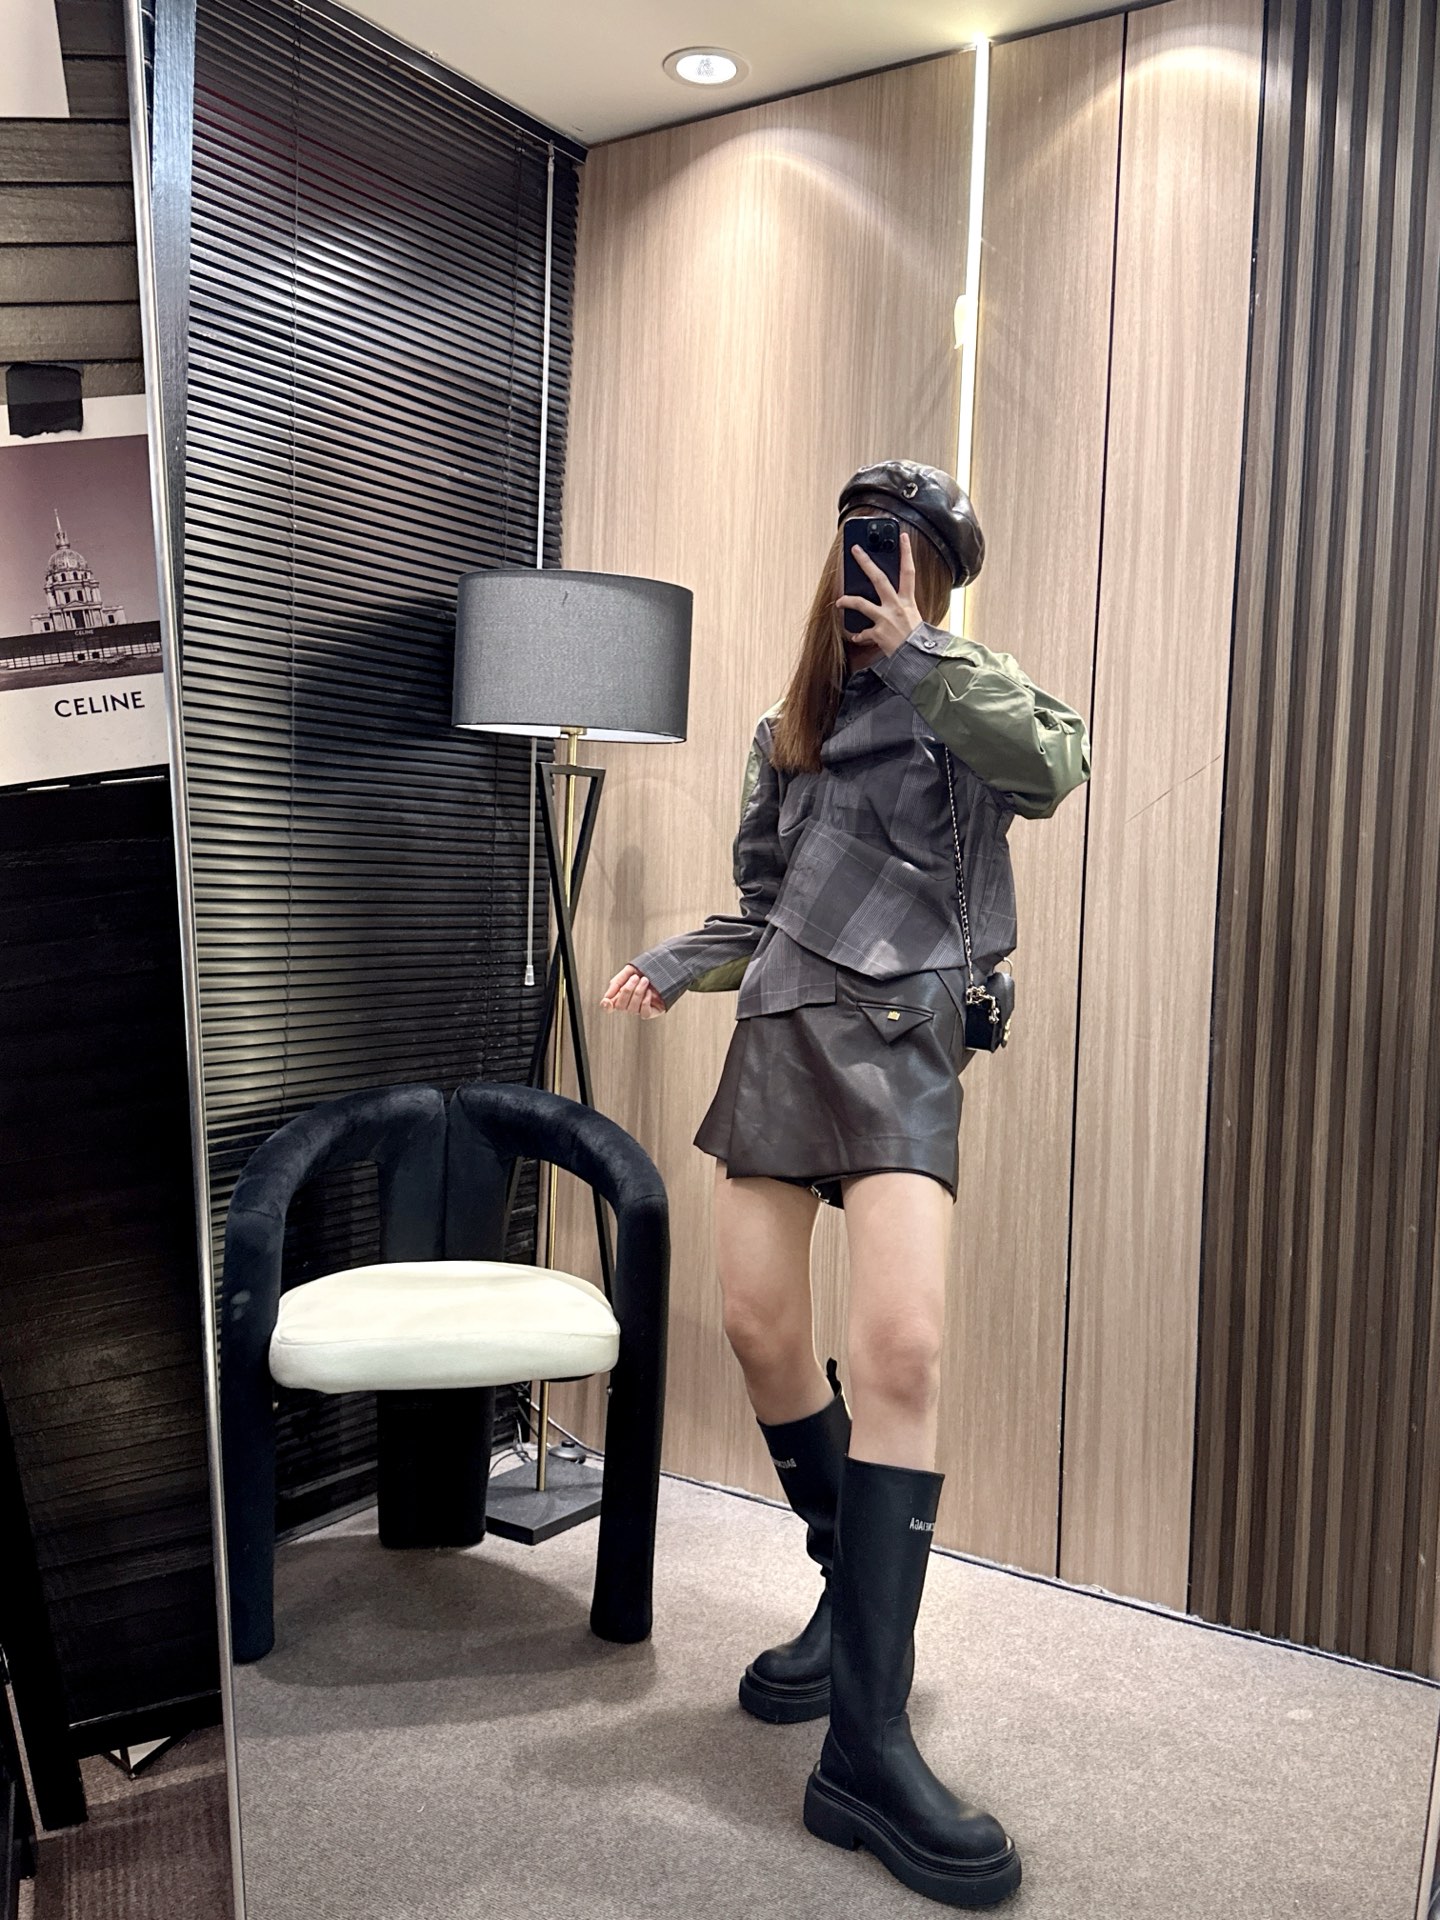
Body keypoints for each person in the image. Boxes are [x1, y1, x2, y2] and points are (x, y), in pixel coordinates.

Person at [600, 459, 1090, 1908]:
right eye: (866, 548)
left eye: (910, 554)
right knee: (759, 1329)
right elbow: (765, 906)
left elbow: (1056, 768)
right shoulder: (787, 732)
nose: (881, 571)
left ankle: (866, 1743)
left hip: (902, 1042)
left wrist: (926, 651)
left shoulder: (967, 700)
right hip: (781, 1033)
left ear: (934, 579)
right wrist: (676, 964)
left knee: (900, 1353)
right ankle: (847, 1593)